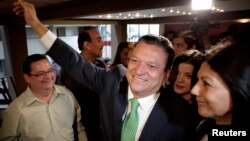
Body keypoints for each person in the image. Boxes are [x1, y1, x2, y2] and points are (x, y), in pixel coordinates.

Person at [13, 1, 199, 141]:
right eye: (135, 60)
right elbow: (73, 61)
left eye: (151, 66)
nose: (139, 71)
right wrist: (36, 24)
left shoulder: (183, 116)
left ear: (166, 73)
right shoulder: (112, 80)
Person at [0, 54, 87, 141]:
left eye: (50, 70)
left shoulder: (67, 95)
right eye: (40, 73)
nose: (48, 76)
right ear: (27, 78)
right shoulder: (16, 109)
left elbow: (79, 127)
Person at [191, 45, 250, 141]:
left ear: (237, 91)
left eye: (206, 83)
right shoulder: (203, 127)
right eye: (198, 80)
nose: (194, 90)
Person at [60, 26, 105, 141]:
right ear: (87, 45)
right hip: (83, 129)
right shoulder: (71, 70)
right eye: (99, 40)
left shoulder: (100, 65)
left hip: (101, 127)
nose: (103, 43)